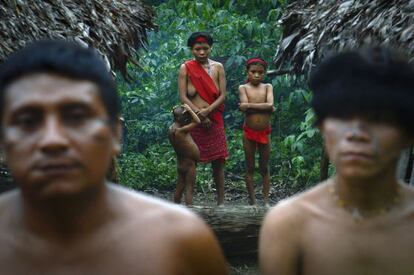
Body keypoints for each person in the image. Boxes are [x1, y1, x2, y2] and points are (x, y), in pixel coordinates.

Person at [0, 40, 228, 275]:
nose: (52, 140)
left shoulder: (181, 240)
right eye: (28, 122)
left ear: (115, 134)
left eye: (76, 117)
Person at [259, 47, 414, 275]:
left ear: (408, 135)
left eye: (378, 119)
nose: (356, 133)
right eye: (341, 116)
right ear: (322, 127)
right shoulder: (289, 223)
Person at [178, 32, 228, 206]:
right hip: (193, 120)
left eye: (205, 48)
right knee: (190, 162)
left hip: (214, 118)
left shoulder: (218, 68)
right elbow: (184, 97)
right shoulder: (186, 68)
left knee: (218, 162)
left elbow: (223, 96)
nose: (201, 52)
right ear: (191, 49)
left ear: (210, 48)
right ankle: (188, 202)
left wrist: (207, 112)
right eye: (197, 49)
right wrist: (199, 114)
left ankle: (221, 202)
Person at [239, 58, 274, 206]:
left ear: (264, 73)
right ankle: (253, 201)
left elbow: (270, 104)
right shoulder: (243, 88)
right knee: (250, 166)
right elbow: (268, 107)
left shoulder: (267, 87)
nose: (257, 75)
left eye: (260, 72)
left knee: (264, 167)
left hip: (265, 131)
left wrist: (249, 106)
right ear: (247, 72)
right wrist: (265, 107)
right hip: (249, 131)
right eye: (253, 72)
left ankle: (266, 200)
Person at [168, 104, 201, 206]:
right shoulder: (181, 130)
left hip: (181, 163)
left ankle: (175, 207)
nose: (188, 118)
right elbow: (197, 121)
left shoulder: (171, 129)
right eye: (186, 116)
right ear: (178, 118)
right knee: (189, 188)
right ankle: (190, 209)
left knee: (180, 187)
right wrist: (191, 110)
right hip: (189, 164)